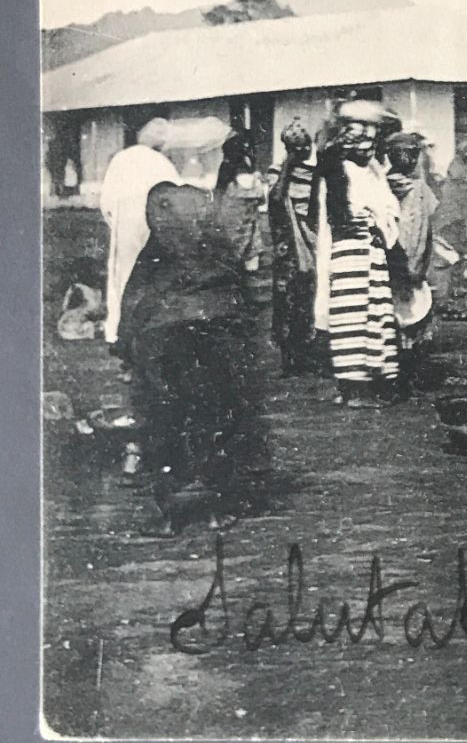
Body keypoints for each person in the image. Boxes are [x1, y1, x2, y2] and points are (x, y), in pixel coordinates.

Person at [115, 182, 256, 536]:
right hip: (215, 349)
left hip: (163, 350)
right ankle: (216, 509)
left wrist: (125, 346)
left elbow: (135, 304)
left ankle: (170, 514)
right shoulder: (219, 257)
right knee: (217, 424)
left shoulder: (155, 259)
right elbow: (242, 304)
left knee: (164, 427)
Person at [312, 100, 403, 408]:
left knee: (372, 315)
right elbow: (330, 218)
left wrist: (380, 221)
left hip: (370, 251)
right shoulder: (335, 172)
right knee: (352, 317)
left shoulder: (374, 171)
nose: (365, 148)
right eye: (359, 142)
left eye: (370, 144)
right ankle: (355, 389)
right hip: (348, 251)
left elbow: (389, 206)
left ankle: (368, 384)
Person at [99, 118, 179, 348]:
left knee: (124, 274)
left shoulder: (121, 159)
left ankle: (119, 329)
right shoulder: (162, 163)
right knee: (154, 273)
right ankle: (150, 326)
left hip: (126, 225)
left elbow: (107, 201)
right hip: (155, 223)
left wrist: (115, 223)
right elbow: (175, 195)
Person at [384, 131, 439, 393]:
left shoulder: (389, 185)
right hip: (403, 259)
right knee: (409, 316)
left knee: (402, 317)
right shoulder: (415, 188)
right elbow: (425, 225)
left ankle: (402, 374)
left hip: (398, 261)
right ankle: (405, 374)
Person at [268, 122, 321, 375]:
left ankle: (298, 356)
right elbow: (279, 200)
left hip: (300, 248)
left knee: (298, 300)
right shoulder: (285, 174)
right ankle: (293, 357)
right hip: (294, 249)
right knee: (294, 299)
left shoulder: (304, 174)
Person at [213, 130, 268, 274]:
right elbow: (261, 199)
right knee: (250, 253)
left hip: (231, 219)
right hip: (249, 221)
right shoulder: (251, 173)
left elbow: (218, 193)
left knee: (231, 254)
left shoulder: (226, 168)